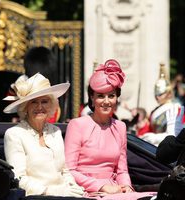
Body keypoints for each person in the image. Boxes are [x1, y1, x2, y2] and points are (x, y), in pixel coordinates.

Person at [64, 59, 156, 200]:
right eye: (101, 96)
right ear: (92, 98)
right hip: (85, 191)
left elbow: (122, 170)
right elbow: (69, 171)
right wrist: (101, 186)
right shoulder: (77, 125)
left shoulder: (120, 127)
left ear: (116, 98)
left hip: (115, 191)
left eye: (111, 96)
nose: (106, 101)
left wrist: (127, 187)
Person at [3, 73, 84, 197]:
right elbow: (19, 178)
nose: (40, 107)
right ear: (25, 107)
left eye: (44, 101)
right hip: (36, 197)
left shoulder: (55, 131)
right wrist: (51, 192)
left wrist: (75, 189)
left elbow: (64, 171)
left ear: (51, 105)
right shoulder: (14, 134)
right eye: (34, 102)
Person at [140, 63, 182, 146]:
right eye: (156, 95)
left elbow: (173, 135)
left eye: (160, 94)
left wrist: (154, 137)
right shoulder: (154, 111)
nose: (157, 97)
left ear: (169, 94)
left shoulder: (175, 108)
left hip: (168, 148)